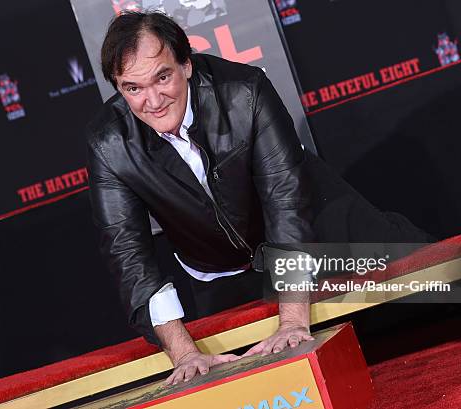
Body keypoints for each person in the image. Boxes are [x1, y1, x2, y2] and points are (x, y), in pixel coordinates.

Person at [86, 11, 431, 386]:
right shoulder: (108, 142)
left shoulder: (245, 91)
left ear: (185, 64)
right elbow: (128, 253)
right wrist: (184, 353)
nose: (152, 100)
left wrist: (292, 323)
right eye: (133, 88)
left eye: (162, 76)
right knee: (265, 382)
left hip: (319, 225)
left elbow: (286, 202)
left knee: (436, 297)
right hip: (219, 267)